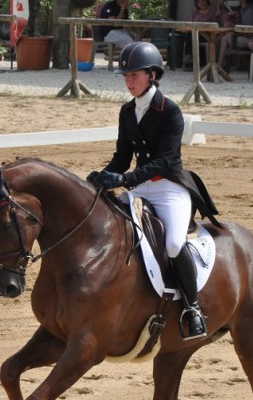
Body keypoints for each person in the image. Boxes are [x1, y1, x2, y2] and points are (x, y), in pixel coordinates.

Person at [87, 42, 220, 341]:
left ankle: (193, 309)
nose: (128, 80)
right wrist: (103, 176)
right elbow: (122, 155)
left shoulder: (170, 111)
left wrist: (126, 177)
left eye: (133, 74)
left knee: (173, 244)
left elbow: (166, 160)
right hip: (140, 187)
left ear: (151, 75)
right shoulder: (127, 111)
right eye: (125, 76)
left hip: (170, 188)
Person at [217, 0, 253, 72]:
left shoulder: (251, 10)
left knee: (227, 36)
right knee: (225, 36)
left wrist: (234, 26)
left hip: (252, 37)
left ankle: (221, 64)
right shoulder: (242, 9)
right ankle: (220, 65)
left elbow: (249, 29)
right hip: (244, 35)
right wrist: (237, 17)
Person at [183, 0, 220, 69]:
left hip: (207, 35)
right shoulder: (195, 12)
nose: (202, 3)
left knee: (190, 36)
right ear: (197, 4)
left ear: (207, 1)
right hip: (196, 33)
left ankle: (190, 60)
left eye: (203, 1)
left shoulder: (213, 11)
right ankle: (190, 59)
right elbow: (191, 23)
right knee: (188, 35)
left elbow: (215, 24)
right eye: (199, 2)